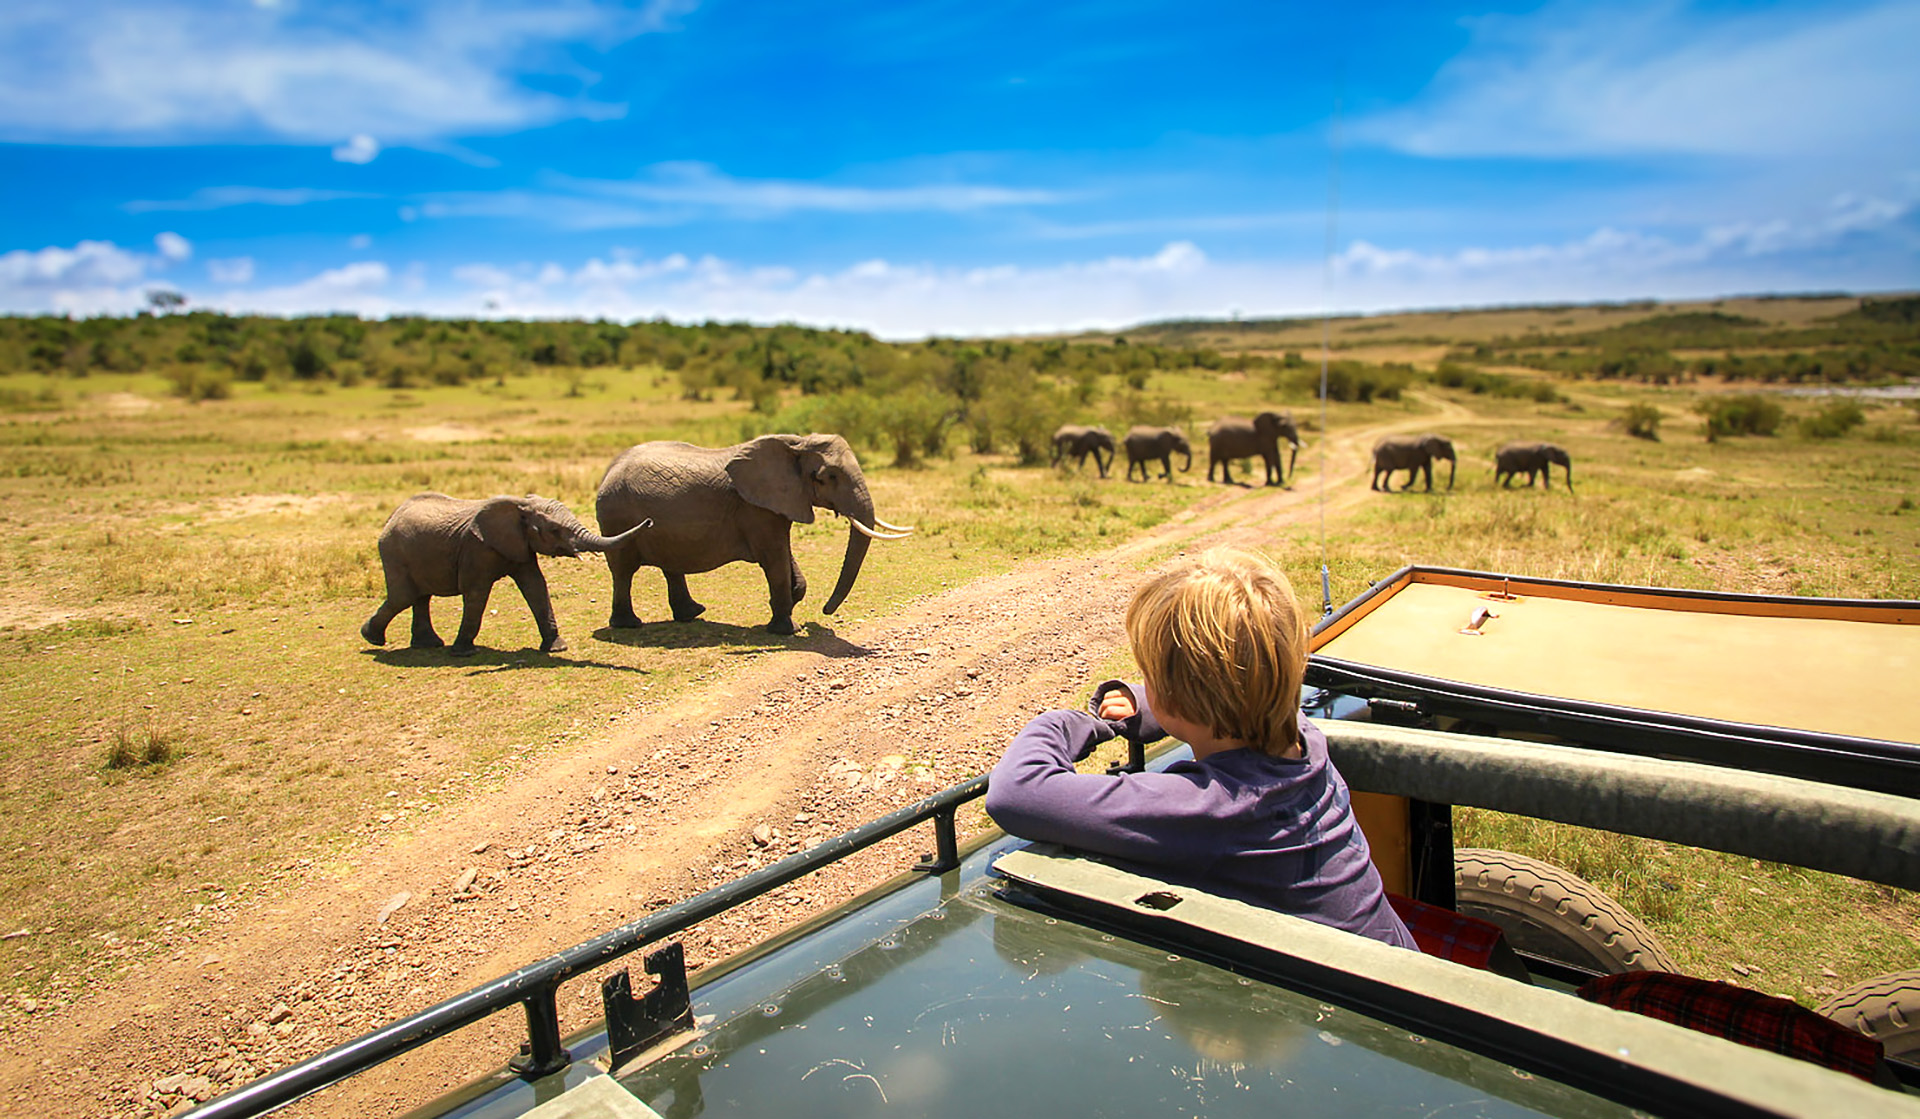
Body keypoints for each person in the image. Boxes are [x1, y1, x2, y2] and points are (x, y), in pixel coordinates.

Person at [985, 547, 1414, 948]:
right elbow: (1242, 693)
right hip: (1400, 973)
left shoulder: (1210, 808)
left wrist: (1064, 722)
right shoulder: (1303, 739)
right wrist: (1147, 704)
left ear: (1176, 698)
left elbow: (1017, 793)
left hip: (1351, 1011)